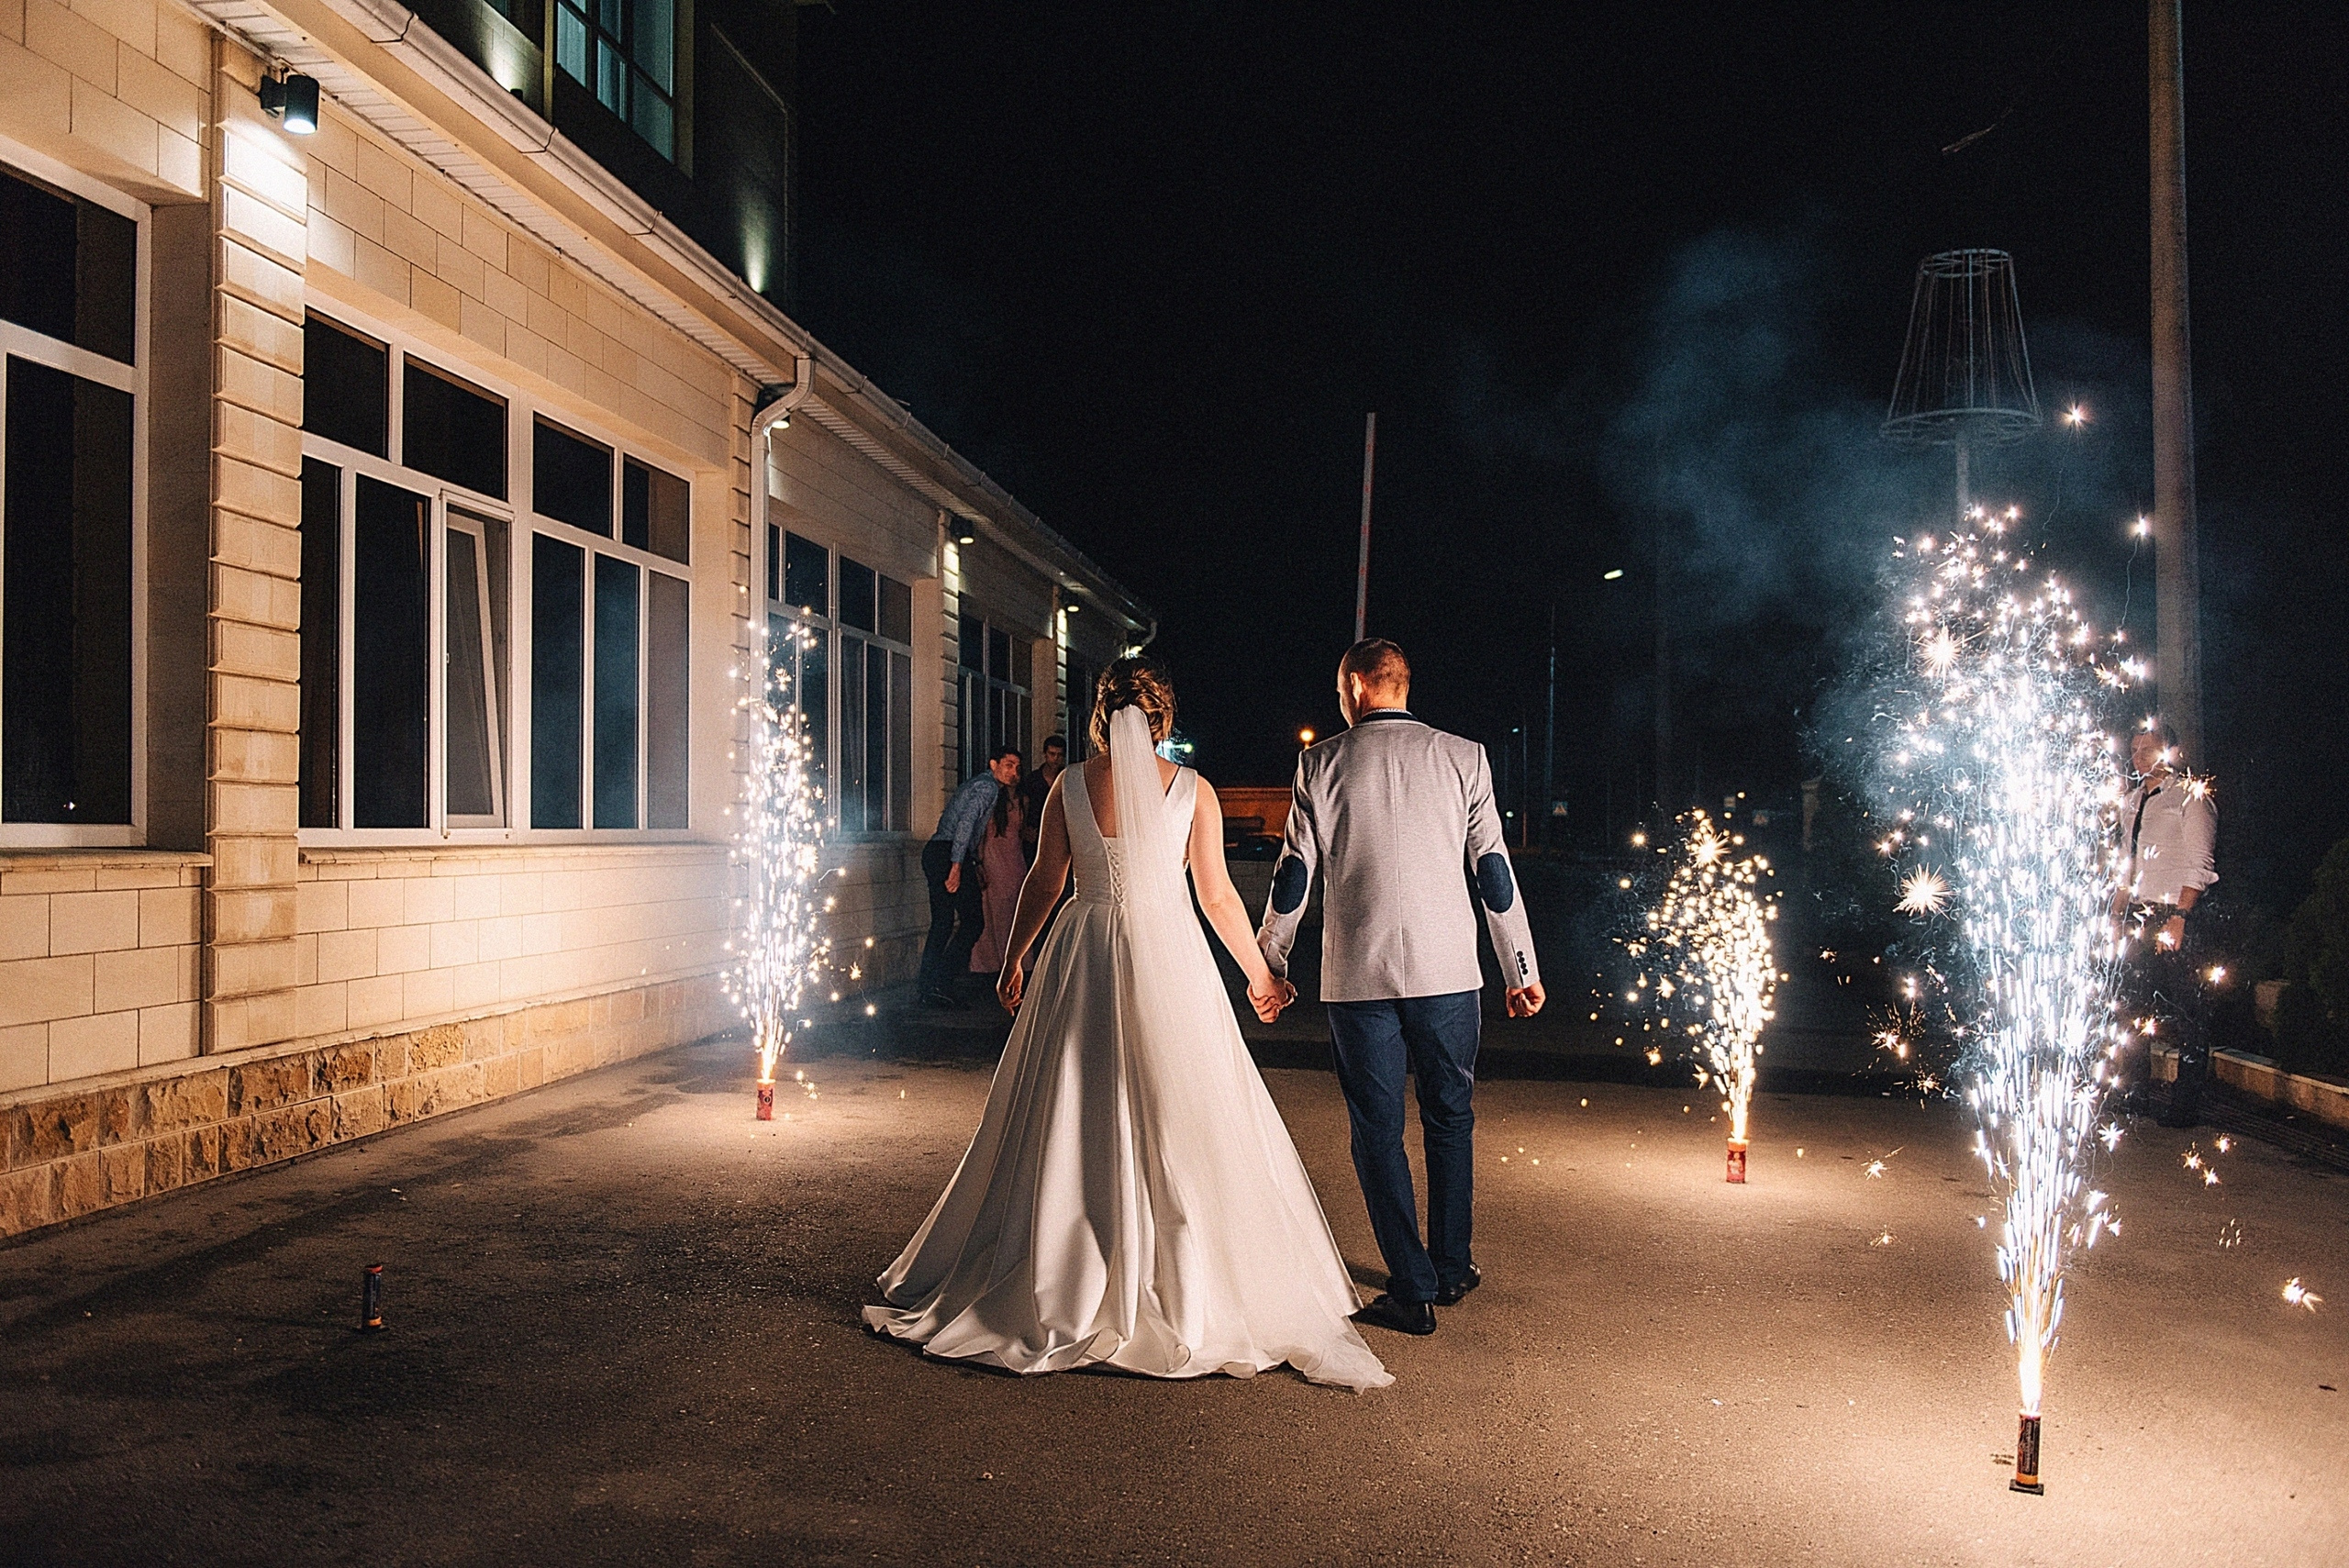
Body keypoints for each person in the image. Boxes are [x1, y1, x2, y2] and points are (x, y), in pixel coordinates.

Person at [864, 659, 1389, 1391]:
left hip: (1084, 952)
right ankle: (1182, 1274)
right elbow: (1217, 897)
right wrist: (1260, 976)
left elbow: (1047, 880)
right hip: (1168, 952)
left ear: (1100, 714)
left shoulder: (1069, 787)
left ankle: (1069, 1259)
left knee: (1075, 1105)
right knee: (1180, 1106)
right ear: (1163, 717)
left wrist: (1016, 957)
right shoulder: (1195, 791)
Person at [1258, 639, 1543, 1337]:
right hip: (1449, 974)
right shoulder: (1464, 756)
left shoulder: (1320, 762)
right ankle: (1452, 1264)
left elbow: (1295, 873)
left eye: (1338, 689)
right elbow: (1493, 870)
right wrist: (1522, 969)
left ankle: (1411, 1287)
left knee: (1377, 1131)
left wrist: (1272, 961)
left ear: (1357, 685)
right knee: (1451, 1115)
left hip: (1359, 978)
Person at [2113, 718, 2218, 1127]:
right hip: (2139, 912)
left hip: (2175, 913)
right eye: (2134, 750)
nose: (2138, 758)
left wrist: (2180, 917)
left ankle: (2185, 1106)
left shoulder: (2189, 797)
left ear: (2168, 752)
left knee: (2187, 1014)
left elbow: (2200, 863)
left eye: (2147, 750)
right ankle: (2135, 1093)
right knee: (2132, 1008)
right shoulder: (2132, 800)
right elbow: (2128, 863)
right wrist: (2116, 913)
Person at [916, 746, 1022, 1007]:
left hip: (942, 852)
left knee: (944, 923)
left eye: (1017, 767)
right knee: (972, 922)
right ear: (994, 764)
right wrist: (956, 866)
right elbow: (965, 824)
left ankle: (930, 985)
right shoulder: (987, 788)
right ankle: (938, 982)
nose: (1013, 772)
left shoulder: (985, 786)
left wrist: (971, 863)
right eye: (1008, 765)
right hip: (947, 853)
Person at [965, 781, 1028, 976]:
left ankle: (1016, 961)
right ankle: (990, 963)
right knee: (993, 910)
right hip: (993, 856)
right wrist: (979, 862)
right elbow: (981, 834)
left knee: (1015, 909)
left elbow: (1023, 830)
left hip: (1015, 857)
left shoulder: (1023, 800)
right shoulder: (992, 801)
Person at [1018, 733, 1067, 859]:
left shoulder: (1067, 780)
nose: (1056, 758)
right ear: (1045, 754)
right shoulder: (1032, 780)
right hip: (1035, 836)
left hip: (1060, 836)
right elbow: (1022, 805)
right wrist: (1024, 829)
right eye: (1052, 754)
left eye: (1059, 755)